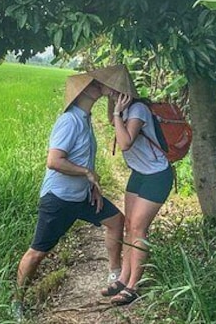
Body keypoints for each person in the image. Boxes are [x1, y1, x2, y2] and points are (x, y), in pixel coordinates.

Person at [13, 66, 127, 321]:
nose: (100, 87)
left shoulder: (85, 120)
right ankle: (17, 302)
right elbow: (54, 161)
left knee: (116, 221)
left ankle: (114, 275)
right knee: (38, 252)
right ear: (83, 92)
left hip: (82, 197)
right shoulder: (70, 120)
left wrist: (93, 187)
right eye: (95, 85)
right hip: (59, 199)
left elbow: (84, 155)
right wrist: (87, 174)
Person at [100, 70, 174, 306]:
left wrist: (116, 111)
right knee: (129, 226)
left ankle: (133, 286)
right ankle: (123, 278)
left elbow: (124, 143)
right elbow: (115, 126)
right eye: (109, 90)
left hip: (157, 175)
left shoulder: (138, 110)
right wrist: (116, 110)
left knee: (139, 228)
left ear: (125, 91)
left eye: (114, 90)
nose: (110, 93)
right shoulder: (122, 111)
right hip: (139, 174)